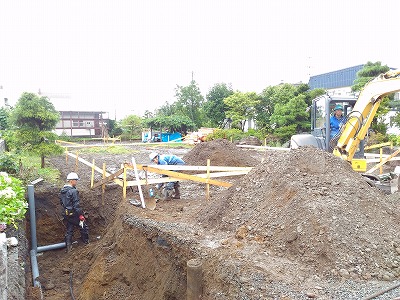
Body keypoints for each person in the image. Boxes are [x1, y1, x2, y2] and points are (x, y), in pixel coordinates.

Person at [59, 172, 89, 252]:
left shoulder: (63, 191)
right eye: (76, 180)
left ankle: (68, 247)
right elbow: (76, 205)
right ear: (71, 181)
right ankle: (86, 243)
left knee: (70, 229)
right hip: (73, 214)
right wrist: (81, 216)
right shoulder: (73, 191)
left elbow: (61, 203)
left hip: (66, 214)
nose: (76, 182)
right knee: (83, 226)